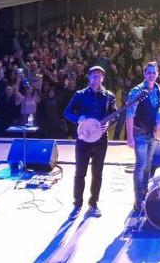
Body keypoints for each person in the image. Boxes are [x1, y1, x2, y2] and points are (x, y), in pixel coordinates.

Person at [64, 65, 116, 219]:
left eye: (99, 76)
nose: (96, 78)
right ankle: (77, 205)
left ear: (103, 78)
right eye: (93, 75)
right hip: (84, 139)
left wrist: (109, 122)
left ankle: (93, 203)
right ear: (88, 77)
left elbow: (115, 114)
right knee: (80, 173)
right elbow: (67, 112)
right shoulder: (80, 95)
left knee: (97, 173)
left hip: (101, 140)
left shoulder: (109, 96)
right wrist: (77, 119)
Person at [125, 61, 160, 212]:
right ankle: (138, 200)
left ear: (157, 74)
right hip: (140, 134)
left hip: (153, 133)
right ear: (144, 74)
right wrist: (129, 137)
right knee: (141, 165)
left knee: (148, 164)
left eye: (153, 72)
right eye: (148, 72)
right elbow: (129, 114)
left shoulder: (158, 89)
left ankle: (145, 193)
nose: (151, 75)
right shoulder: (136, 91)